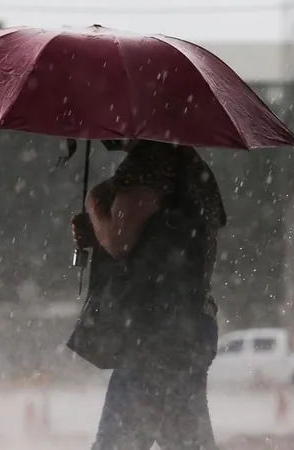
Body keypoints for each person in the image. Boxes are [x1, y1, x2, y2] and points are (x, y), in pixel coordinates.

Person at [71, 139, 227, 450]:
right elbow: (165, 242)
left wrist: (94, 204)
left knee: (117, 443)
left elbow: (119, 239)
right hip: (189, 326)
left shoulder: (151, 160)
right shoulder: (192, 167)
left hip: (152, 334)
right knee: (187, 442)